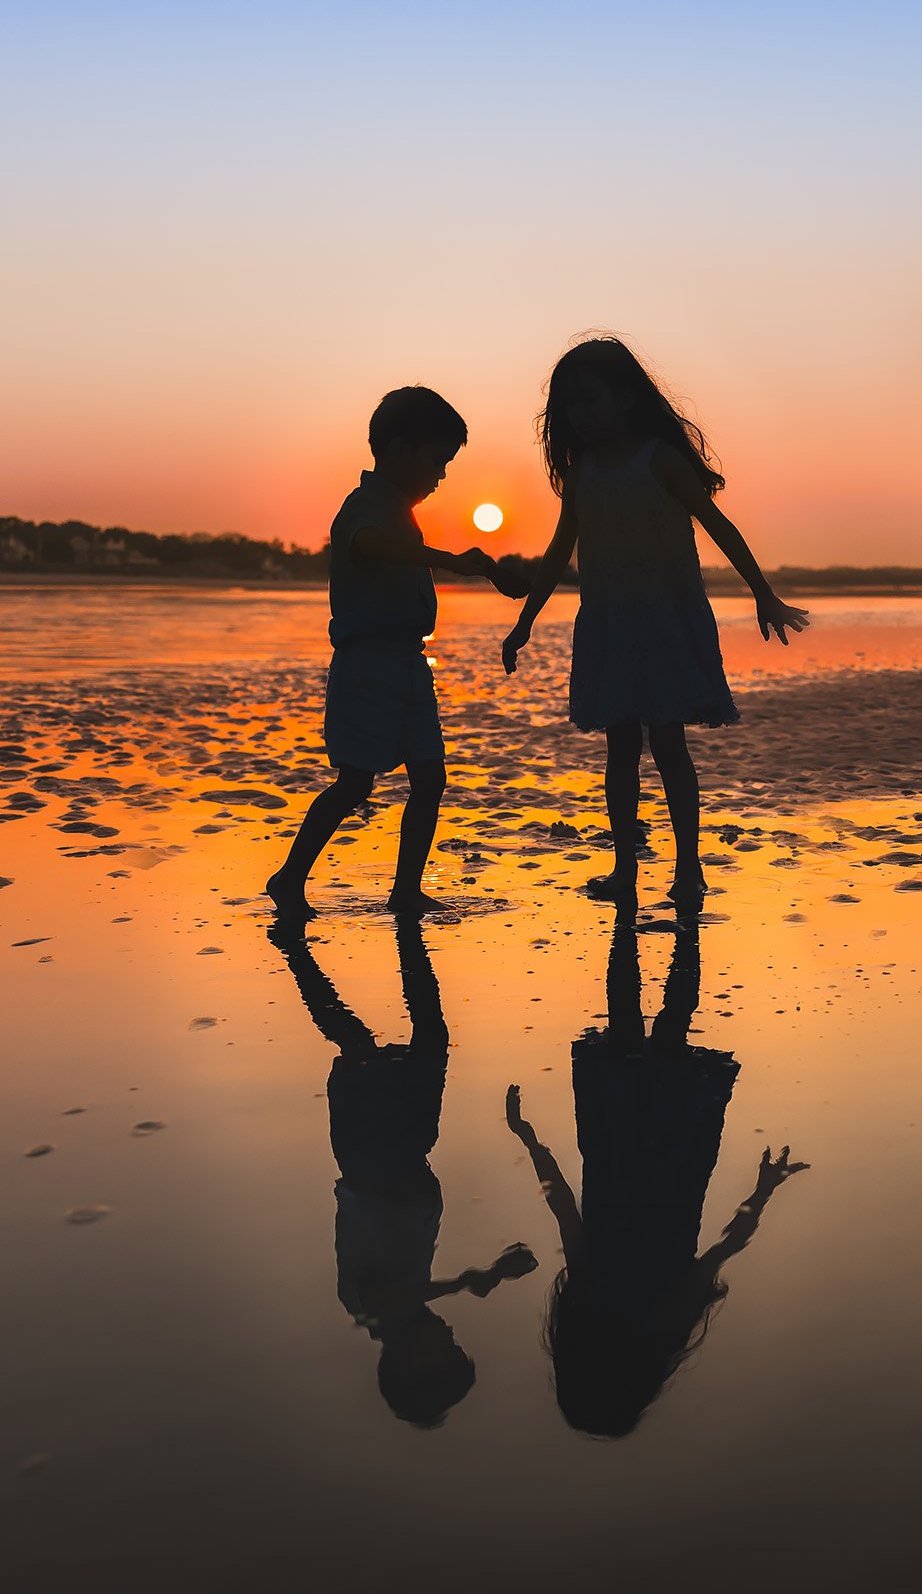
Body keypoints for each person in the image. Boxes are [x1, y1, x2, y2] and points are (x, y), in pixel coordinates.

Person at [502, 338, 810, 909]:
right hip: (610, 625)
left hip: (667, 619)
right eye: (571, 406)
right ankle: (625, 868)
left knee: (668, 744)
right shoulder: (582, 473)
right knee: (620, 748)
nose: (582, 414)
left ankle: (688, 869)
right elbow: (556, 553)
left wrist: (763, 594)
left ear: (625, 396)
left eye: (591, 399)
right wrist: (525, 623)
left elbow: (718, 524)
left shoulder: (659, 459)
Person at [504, 913, 807, 1437]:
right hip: (617, 1145)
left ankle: (685, 917)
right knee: (627, 1021)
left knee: (672, 1025)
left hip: (675, 1154)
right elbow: (563, 1206)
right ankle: (630, 912)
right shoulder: (588, 1304)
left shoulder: (662, 1319)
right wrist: (529, 1139)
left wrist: (763, 1190)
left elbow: (727, 1244)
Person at [269, 915, 536, 1428]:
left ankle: (295, 949)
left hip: (373, 1154)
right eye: (455, 1344)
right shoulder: (406, 1308)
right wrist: (484, 1276)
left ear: (407, 1362)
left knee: (361, 1047)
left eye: (445, 1349)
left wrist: (470, 1281)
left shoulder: (370, 1311)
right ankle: (408, 936)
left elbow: (387, 1294)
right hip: (408, 1150)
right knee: (429, 1039)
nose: (448, 1334)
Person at [266, 386, 523, 916]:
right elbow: (370, 544)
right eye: (438, 460)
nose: (441, 475)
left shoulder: (400, 512)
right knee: (356, 782)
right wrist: (450, 560)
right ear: (400, 448)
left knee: (430, 778)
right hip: (366, 666)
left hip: (408, 664)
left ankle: (405, 888)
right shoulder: (366, 507)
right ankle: (290, 877)